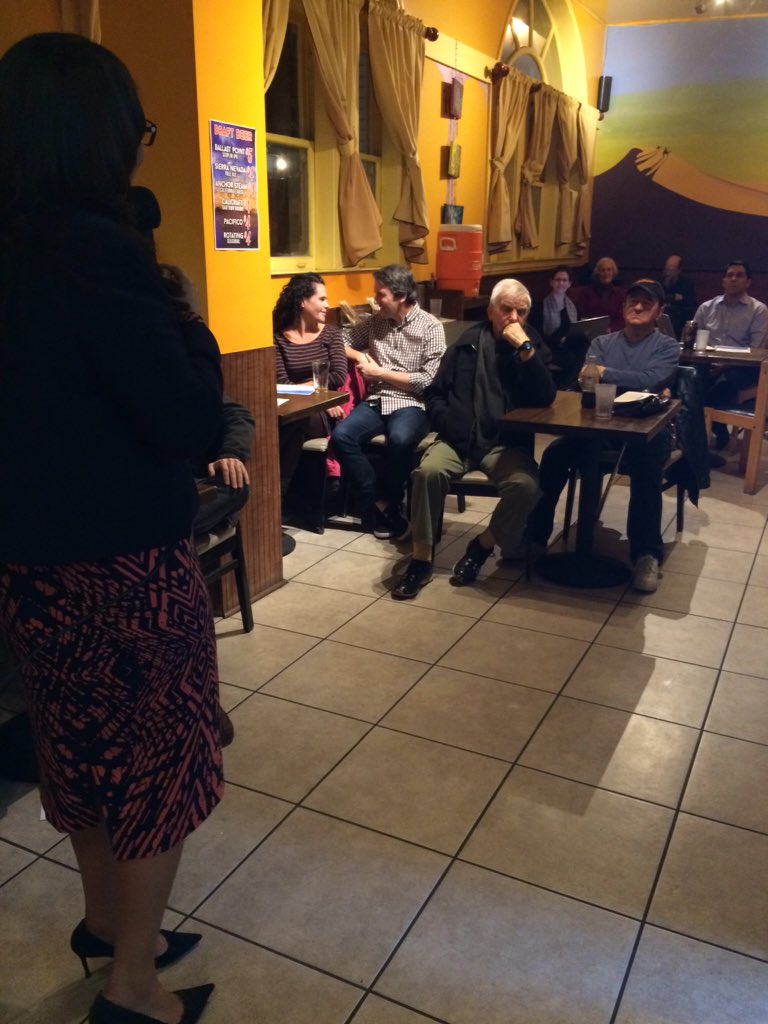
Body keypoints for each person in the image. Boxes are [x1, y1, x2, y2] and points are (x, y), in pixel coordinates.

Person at [0, 33, 221, 1024]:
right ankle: (133, 985)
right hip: (124, 568)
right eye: (139, 129)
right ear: (102, 138)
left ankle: (102, 924)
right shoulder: (98, 251)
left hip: (29, 565)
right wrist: (191, 324)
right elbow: (185, 420)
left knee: (80, 754)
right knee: (158, 769)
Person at [393, 279, 556, 599]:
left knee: (526, 486)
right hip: (458, 440)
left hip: (504, 444)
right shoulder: (466, 343)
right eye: (506, 309)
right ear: (491, 311)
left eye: (521, 312)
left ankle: (482, 546)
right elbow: (435, 393)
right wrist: (448, 422)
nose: (514, 318)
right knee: (426, 473)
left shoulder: (532, 345)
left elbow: (546, 396)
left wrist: (526, 352)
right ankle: (421, 559)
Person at [528, 279, 680, 594]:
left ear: (659, 311)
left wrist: (606, 374)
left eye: (647, 303)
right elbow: (587, 381)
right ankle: (534, 537)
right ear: (623, 306)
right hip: (598, 426)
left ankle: (646, 554)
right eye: (632, 301)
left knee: (647, 468)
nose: (638, 307)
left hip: (647, 430)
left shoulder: (666, 346)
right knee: (555, 454)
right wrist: (619, 381)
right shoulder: (602, 343)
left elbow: (652, 380)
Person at [333, 265, 445, 539]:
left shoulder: (431, 327)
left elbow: (428, 381)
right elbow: (338, 340)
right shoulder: (376, 322)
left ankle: (391, 500)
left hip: (412, 402)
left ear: (401, 296)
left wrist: (380, 373)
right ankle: (380, 502)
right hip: (377, 399)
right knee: (341, 436)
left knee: (401, 438)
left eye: (380, 294)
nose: (375, 300)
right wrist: (359, 356)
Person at [273, 273, 349, 493]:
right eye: (322, 299)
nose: (328, 305)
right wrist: (318, 391)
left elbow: (338, 376)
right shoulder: (277, 338)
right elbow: (281, 382)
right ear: (302, 301)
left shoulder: (331, 334)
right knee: (293, 424)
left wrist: (321, 400)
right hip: (292, 408)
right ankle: (282, 492)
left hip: (325, 411)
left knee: (297, 419)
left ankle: (277, 492)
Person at [694, 260, 768, 449]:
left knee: (714, 387)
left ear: (748, 282)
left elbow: (756, 350)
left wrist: (724, 366)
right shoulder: (706, 308)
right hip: (706, 364)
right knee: (688, 379)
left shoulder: (758, 310)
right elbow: (693, 340)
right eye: (729, 275)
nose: (733, 279)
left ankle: (711, 435)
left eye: (739, 275)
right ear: (723, 281)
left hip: (742, 368)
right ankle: (693, 436)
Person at [529, 265, 587, 388]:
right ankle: (566, 385)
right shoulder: (541, 306)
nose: (561, 283)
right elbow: (537, 335)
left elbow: (574, 328)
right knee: (572, 357)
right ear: (551, 282)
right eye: (558, 280)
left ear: (570, 284)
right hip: (549, 346)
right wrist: (559, 340)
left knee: (585, 347)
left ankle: (569, 385)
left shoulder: (572, 306)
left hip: (567, 344)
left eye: (564, 280)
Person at [570, 256, 626, 332]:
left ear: (613, 272)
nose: (606, 273)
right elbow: (580, 315)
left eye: (609, 270)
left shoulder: (619, 293)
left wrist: (610, 329)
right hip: (590, 331)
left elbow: (621, 318)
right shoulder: (586, 292)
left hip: (612, 333)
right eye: (602, 270)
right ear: (598, 273)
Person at [661, 254, 697, 339]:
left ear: (679, 271)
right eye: (667, 269)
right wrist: (673, 297)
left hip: (679, 327)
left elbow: (691, 306)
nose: (668, 273)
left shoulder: (687, 285)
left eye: (672, 270)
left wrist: (681, 299)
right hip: (661, 325)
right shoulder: (660, 282)